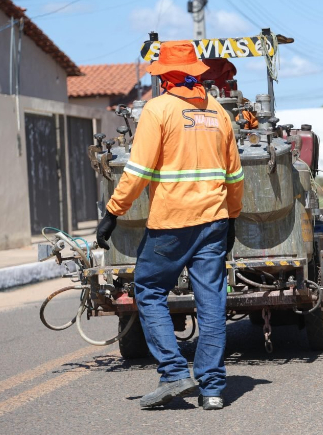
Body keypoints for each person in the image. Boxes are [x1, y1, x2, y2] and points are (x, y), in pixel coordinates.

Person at [96, 41, 244, 410]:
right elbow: (235, 175)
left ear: (167, 76)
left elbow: (138, 170)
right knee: (212, 302)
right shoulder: (218, 112)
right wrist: (232, 218)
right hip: (214, 220)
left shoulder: (158, 109)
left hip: (172, 222)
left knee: (148, 290)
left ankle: (175, 373)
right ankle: (212, 389)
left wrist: (113, 212)